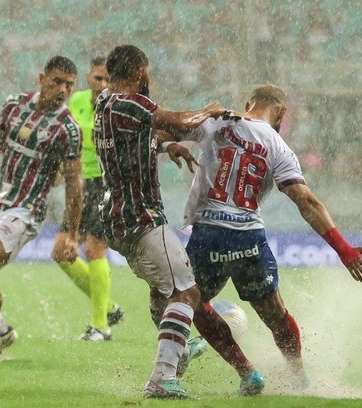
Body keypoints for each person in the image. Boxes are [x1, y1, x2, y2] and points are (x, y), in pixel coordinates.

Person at [175, 84, 362, 395]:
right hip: (249, 239)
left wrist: (203, 113)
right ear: (281, 113)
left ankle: (247, 373)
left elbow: (169, 125)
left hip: (209, 234)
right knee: (276, 315)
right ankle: (299, 378)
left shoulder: (218, 121)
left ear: (248, 103)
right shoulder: (279, 147)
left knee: (193, 303)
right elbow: (305, 201)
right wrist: (344, 250)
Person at [93, 44, 225, 399]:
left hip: (116, 218)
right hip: (141, 216)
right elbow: (180, 122)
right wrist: (209, 110)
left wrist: (167, 147)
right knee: (187, 291)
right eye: (147, 72)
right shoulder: (131, 103)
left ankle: (177, 349)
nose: (148, 78)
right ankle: (163, 375)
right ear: (138, 73)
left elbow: (137, 139)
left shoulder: (103, 104)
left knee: (161, 289)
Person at [0, 55, 84, 361]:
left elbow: (74, 183)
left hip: (27, 210)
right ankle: (1, 330)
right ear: (42, 78)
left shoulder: (68, 128)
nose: (62, 89)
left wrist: (73, 234)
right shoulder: (14, 106)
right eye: (57, 81)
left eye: (69, 85)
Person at [51, 57, 124, 341]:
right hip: (79, 184)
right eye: (98, 79)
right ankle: (107, 307)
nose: (103, 85)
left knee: (95, 248)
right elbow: (65, 139)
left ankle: (100, 326)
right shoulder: (77, 101)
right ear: (89, 77)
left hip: (106, 183)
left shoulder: (117, 107)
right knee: (61, 251)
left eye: (108, 80)